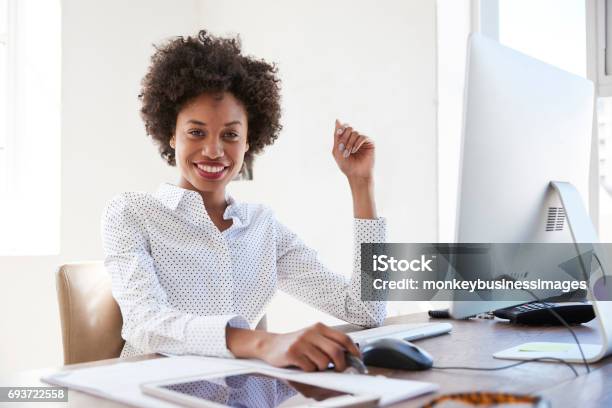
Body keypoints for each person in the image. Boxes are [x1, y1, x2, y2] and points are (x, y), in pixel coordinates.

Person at [101, 30, 387, 373]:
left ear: (249, 142)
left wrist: (361, 184)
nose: (213, 150)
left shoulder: (261, 227)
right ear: (170, 134)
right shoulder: (132, 213)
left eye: (230, 135)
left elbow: (366, 311)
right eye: (196, 132)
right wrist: (263, 343)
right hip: (150, 392)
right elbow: (145, 325)